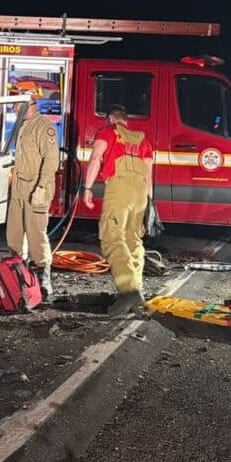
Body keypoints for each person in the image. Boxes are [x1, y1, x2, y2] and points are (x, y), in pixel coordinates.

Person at [82, 104, 154, 314]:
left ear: (111, 119)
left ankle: (128, 291)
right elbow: (149, 174)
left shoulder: (107, 131)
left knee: (112, 236)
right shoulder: (143, 140)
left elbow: (96, 158)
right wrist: (150, 203)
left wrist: (87, 188)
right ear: (126, 120)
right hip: (141, 192)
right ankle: (136, 290)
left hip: (119, 187)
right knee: (133, 239)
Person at [6, 82, 59, 300]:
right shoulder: (20, 126)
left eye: (16, 101)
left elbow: (51, 161)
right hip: (18, 188)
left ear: (28, 101)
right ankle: (20, 276)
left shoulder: (42, 127)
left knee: (36, 234)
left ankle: (44, 279)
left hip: (36, 188)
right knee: (14, 235)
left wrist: (41, 187)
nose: (13, 106)